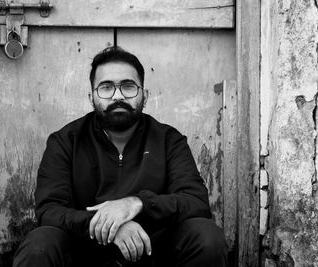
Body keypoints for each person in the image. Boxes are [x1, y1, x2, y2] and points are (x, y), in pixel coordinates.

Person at [13, 46, 227, 267]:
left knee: (207, 237)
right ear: (91, 96)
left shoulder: (168, 140)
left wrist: (137, 204)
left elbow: (196, 201)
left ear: (145, 95)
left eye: (128, 86)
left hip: (153, 250)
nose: (117, 96)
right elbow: (49, 211)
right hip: (85, 252)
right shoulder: (66, 141)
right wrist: (111, 227)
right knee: (40, 244)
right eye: (106, 87)